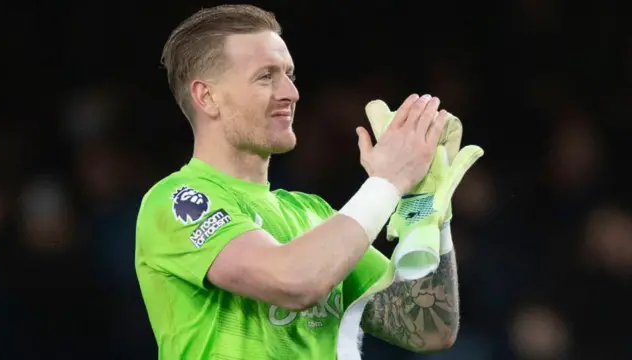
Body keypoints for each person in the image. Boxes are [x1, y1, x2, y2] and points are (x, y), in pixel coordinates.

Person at [135, 4, 460, 359]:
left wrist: (423, 202)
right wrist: (388, 182)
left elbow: (429, 327)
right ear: (206, 97)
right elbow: (294, 281)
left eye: (289, 74)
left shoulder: (313, 214)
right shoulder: (174, 201)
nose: (291, 92)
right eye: (266, 76)